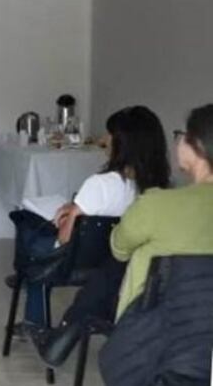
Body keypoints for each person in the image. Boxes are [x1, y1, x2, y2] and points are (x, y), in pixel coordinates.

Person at [36, 104, 213, 366]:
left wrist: (71, 214)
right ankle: (65, 330)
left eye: (181, 135)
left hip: (147, 310)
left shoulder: (158, 203)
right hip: (198, 318)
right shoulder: (165, 187)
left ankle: (61, 329)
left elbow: (118, 247)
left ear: (196, 145)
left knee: (110, 266)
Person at [16, 106, 171, 327]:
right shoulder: (160, 187)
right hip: (124, 264)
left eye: (110, 134)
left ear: (122, 142)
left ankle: (34, 322)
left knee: (32, 246)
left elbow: (65, 242)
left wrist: (65, 218)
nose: (104, 139)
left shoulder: (99, 185)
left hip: (78, 263)